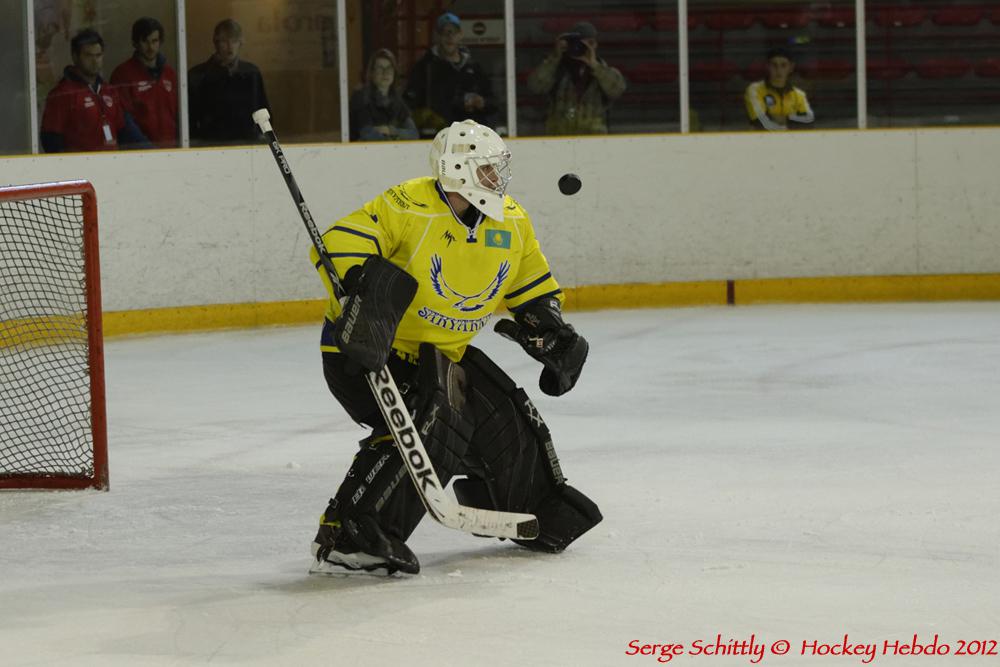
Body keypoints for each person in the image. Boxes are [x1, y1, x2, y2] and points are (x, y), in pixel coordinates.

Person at [307, 119, 602, 575]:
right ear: (458, 169)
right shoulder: (409, 203)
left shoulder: (512, 221)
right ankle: (349, 531)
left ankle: (527, 502)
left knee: (503, 414)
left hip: (441, 355)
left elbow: (532, 287)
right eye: (487, 169)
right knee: (437, 420)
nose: (497, 179)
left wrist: (549, 328)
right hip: (368, 351)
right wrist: (360, 284)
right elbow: (342, 241)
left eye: (498, 169)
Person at [40, 28, 149, 152]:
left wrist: (153, 153)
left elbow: (126, 132)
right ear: (75, 56)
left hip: (111, 165)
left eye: (98, 55)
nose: (94, 61)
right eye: (88, 56)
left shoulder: (109, 91)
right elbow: (51, 140)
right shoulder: (62, 94)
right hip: (82, 169)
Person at [403, 12, 496, 137]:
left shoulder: (475, 67)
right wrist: (458, 103)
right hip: (438, 138)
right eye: (444, 32)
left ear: (460, 35)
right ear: (437, 36)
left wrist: (482, 103)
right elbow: (413, 105)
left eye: (453, 32)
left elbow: (494, 102)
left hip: (473, 137)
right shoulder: (424, 68)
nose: (449, 36)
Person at [526, 21, 627, 135]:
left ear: (594, 45)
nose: (580, 47)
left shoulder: (602, 69)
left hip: (594, 139)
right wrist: (555, 57)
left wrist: (594, 65)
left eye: (587, 44)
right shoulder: (558, 68)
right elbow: (535, 86)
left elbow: (618, 89)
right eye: (576, 43)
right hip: (558, 138)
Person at [188, 19, 270, 146]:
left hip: (248, 144)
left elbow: (263, 110)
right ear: (216, 43)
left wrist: (260, 137)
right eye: (224, 41)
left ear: (240, 42)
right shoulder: (199, 76)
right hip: (210, 145)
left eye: (234, 41)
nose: (230, 46)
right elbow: (191, 119)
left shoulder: (251, 73)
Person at [110, 17, 178, 148]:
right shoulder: (122, 75)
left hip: (172, 153)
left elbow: (178, 116)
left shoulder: (170, 74)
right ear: (135, 43)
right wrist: (148, 149)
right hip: (139, 155)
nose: (151, 47)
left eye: (155, 41)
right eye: (145, 42)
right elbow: (124, 122)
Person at [349, 49, 418, 141]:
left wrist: (390, 130)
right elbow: (367, 134)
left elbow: (413, 134)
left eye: (389, 68)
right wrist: (396, 136)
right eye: (380, 68)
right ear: (372, 73)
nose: (385, 72)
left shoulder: (396, 99)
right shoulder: (361, 97)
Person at [744, 47, 815, 131]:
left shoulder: (799, 94)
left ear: (791, 67)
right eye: (774, 65)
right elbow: (760, 121)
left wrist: (785, 118)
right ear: (767, 66)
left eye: (783, 65)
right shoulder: (754, 90)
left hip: (792, 140)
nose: (779, 70)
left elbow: (809, 120)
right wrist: (791, 122)